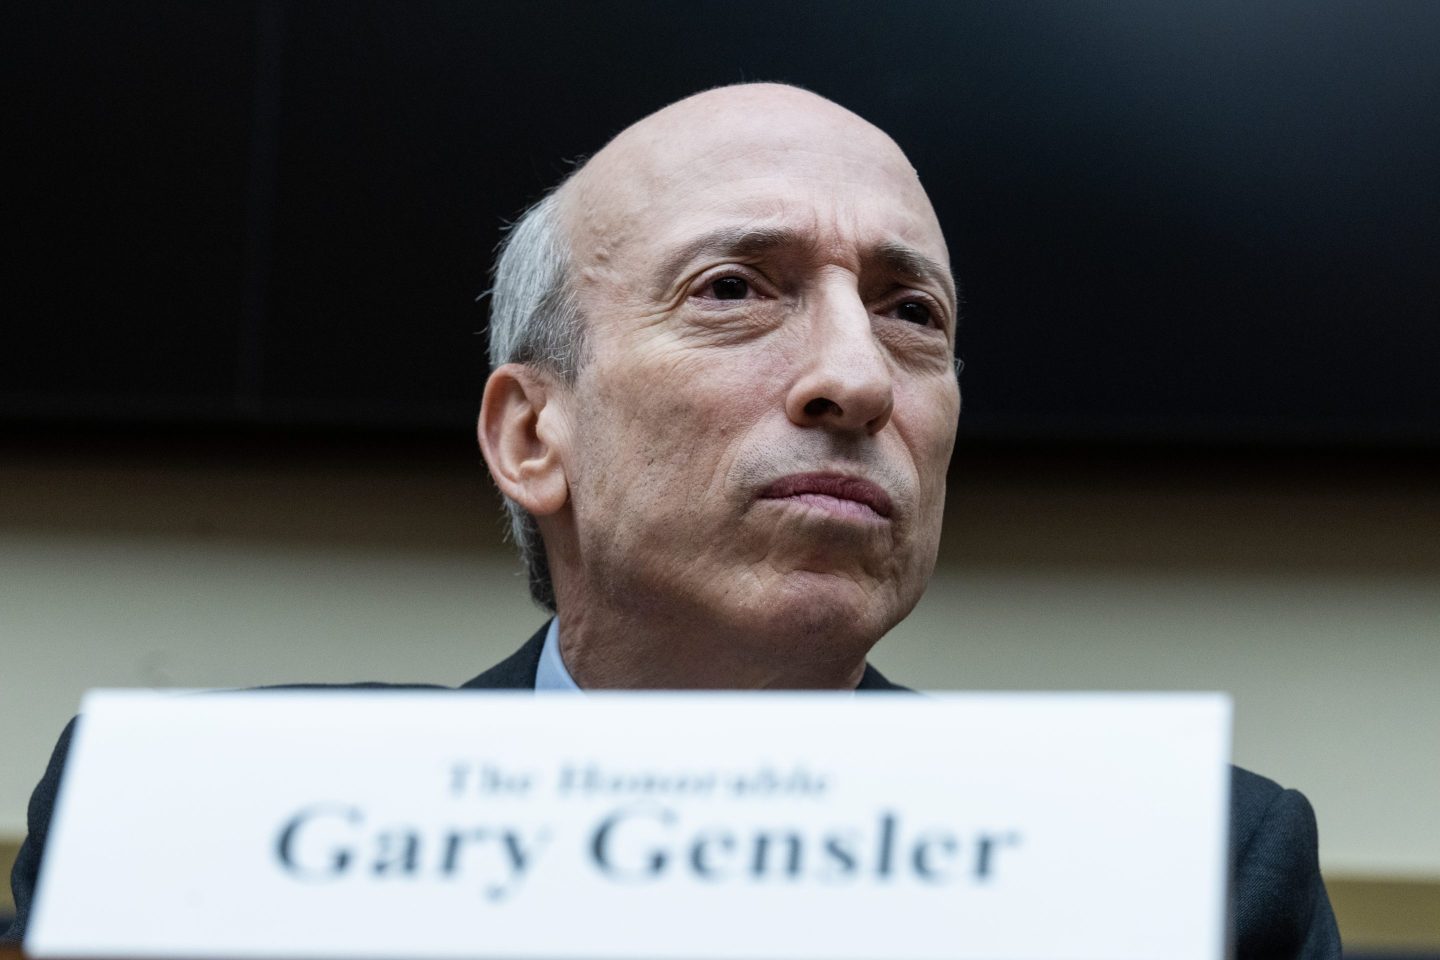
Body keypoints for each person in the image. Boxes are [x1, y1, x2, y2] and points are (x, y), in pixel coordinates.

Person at [5, 83, 1338, 956]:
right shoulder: (197, 825)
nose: (858, 378)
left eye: (911, 313)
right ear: (534, 435)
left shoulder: (1184, 868)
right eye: (733, 289)